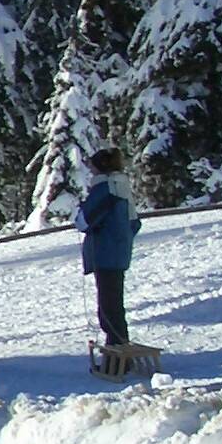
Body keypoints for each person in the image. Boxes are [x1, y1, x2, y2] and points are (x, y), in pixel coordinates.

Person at [75, 146, 143, 349]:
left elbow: (83, 222)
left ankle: (117, 349)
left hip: (104, 254)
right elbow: (135, 223)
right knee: (114, 305)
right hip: (119, 253)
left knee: (108, 309)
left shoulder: (105, 189)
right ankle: (119, 346)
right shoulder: (122, 188)